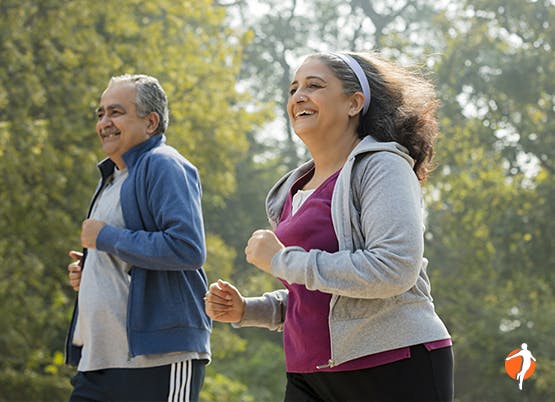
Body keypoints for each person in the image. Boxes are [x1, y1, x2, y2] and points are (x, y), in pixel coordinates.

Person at [205, 51, 454, 402]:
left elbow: (394, 268)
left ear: (354, 103)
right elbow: (319, 295)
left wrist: (282, 261)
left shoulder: (383, 166)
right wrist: (249, 309)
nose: (298, 96)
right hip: (310, 373)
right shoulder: (290, 190)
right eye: (293, 89)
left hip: (392, 364)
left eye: (314, 85)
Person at [65, 74, 211, 402]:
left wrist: (106, 239)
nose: (105, 122)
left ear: (150, 121)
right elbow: (126, 252)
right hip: (97, 361)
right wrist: (90, 269)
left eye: (116, 112)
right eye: (100, 113)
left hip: (157, 361)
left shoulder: (165, 164)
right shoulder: (112, 178)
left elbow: (186, 248)